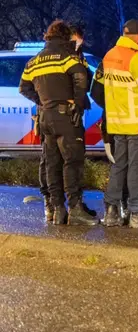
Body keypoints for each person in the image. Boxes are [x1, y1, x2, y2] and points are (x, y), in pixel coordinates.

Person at [19, 20, 97, 226]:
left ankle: (58, 210)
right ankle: (75, 208)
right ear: (64, 37)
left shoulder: (34, 61)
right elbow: (82, 76)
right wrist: (78, 102)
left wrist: (43, 101)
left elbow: (23, 88)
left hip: (46, 117)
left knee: (52, 164)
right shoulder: (67, 57)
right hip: (67, 117)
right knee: (72, 162)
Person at [91, 20, 138, 228]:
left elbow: (98, 90)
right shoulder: (135, 58)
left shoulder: (109, 55)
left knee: (119, 166)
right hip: (137, 123)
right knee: (137, 169)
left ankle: (111, 211)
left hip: (117, 123)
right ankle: (137, 212)